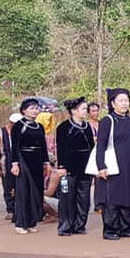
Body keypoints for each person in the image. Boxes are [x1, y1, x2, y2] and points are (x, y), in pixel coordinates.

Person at [96, 89, 130, 240]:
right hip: (113, 164)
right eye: (121, 100)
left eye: (126, 100)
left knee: (128, 194)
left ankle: (126, 228)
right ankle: (110, 229)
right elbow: (100, 145)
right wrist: (101, 166)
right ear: (112, 103)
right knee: (112, 196)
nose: (124, 103)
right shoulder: (107, 121)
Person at [55, 97, 95, 236]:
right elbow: (60, 149)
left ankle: (79, 225)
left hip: (85, 167)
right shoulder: (63, 127)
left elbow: (92, 147)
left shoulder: (87, 126)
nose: (86, 111)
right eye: (83, 108)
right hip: (69, 168)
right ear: (73, 111)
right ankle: (65, 226)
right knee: (67, 198)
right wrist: (61, 166)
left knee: (84, 199)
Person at [10, 99, 51, 234]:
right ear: (24, 110)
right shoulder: (18, 125)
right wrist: (15, 163)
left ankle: (31, 222)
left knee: (36, 192)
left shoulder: (39, 126)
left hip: (37, 161)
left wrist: (46, 162)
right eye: (32, 108)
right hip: (23, 160)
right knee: (23, 192)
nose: (35, 111)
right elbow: (14, 146)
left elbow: (43, 146)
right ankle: (20, 223)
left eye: (36, 108)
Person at [0, 113, 22, 221]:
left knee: (20, 185)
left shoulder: (21, 131)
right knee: (8, 186)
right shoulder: (0, 133)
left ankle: (19, 209)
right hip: (6, 161)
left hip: (19, 161)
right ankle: (10, 209)